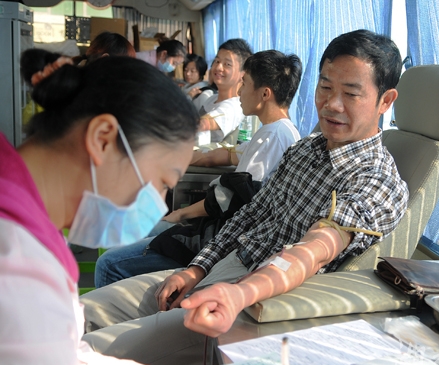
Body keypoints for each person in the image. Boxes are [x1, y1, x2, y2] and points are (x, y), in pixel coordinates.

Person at [0, 48, 328, 365]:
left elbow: (55, 358)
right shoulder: (15, 262)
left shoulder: (26, 231)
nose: (157, 202)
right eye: (159, 181)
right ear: (103, 139)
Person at [80, 29, 409, 365]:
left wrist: (239, 293)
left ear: (385, 101)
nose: (332, 104)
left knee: (89, 356)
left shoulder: (379, 180)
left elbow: (313, 250)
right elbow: (251, 214)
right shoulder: (304, 150)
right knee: (81, 312)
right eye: (325, 87)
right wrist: (196, 269)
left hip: (255, 304)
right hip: (223, 269)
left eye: (351, 94)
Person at [93, 50, 303, 288]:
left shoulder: (273, 136)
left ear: (265, 94)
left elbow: (235, 200)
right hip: (217, 229)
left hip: (220, 238)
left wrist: (181, 214)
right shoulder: (277, 132)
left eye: (244, 84)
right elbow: (226, 156)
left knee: (109, 263)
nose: (239, 91)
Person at [196, 38, 251, 144]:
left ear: (243, 74)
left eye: (227, 64)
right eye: (217, 61)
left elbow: (204, 124)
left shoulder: (234, 106)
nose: (218, 67)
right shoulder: (212, 99)